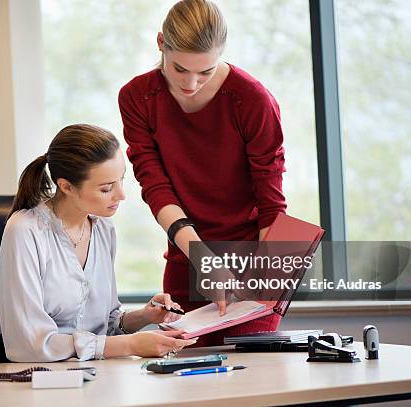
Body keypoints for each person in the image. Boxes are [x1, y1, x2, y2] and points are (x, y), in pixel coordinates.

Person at [118, 0, 287, 345]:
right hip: (186, 259)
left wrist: (264, 283)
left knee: (253, 383)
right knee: (186, 385)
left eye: (205, 72)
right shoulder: (137, 98)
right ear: (161, 43)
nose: (191, 83)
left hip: (249, 268)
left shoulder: (252, 100)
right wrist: (201, 258)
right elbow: (154, 186)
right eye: (180, 69)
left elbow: (271, 206)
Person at [0, 124, 196, 363]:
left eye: (121, 180)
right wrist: (131, 344)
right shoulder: (24, 230)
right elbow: (30, 345)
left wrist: (143, 317)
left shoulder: (103, 228)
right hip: (14, 373)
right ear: (66, 186)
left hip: (83, 371)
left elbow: (105, 326)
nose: (121, 195)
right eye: (106, 188)